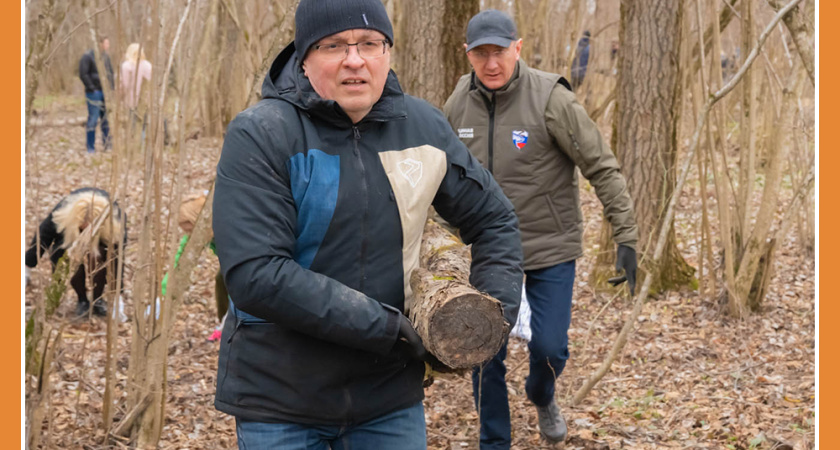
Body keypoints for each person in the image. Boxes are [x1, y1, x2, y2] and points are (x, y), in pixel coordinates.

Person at [212, 0, 523, 448]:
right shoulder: (261, 134)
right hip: (280, 398)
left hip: (389, 399)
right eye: (334, 45)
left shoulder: (423, 126)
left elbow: (494, 220)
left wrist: (489, 318)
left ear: (387, 53)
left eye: (369, 44)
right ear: (304, 57)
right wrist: (388, 329)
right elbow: (255, 274)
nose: (354, 60)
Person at [444, 10, 639, 448]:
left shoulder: (552, 98)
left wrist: (625, 236)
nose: (491, 63)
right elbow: (444, 177)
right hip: (489, 250)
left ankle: (542, 394)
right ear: (467, 54)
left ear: (517, 48)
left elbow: (601, 166)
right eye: (480, 54)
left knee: (550, 349)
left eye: (499, 52)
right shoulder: (458, 103)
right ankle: (494, 441)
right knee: (484, 351)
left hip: (550, 245)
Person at [25, 188, 127, 317]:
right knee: (69, 260)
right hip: (69, 237)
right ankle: (82, 300)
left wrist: (117, 294)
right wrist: (27, 266)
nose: (86, 232)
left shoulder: (116, 220)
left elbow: (117, 258)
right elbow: (42, 237)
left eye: (90, 229)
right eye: (83, 228)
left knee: (99, 259)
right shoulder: (62, 213)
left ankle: (97, 300)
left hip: (102, 238)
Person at [79, 36, 114, 153]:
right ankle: (90, 147)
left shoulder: (106, 57)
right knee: (93, 119)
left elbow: (110, 73)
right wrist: (92, 88)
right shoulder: (88, 56)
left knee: (106, 119)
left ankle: (107, 144)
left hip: (105, 92)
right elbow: (83, 74)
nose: (108, 46)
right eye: (106, 43)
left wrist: (111, 89)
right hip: (94, 93)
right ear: (100, 44)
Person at [119, 43, 152, 120]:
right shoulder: (148, 66)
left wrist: (121, 98)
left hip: (131, 101)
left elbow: (124, 85)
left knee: (132, 122)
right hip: (145, 101)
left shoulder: (127, 66)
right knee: (143, 123)